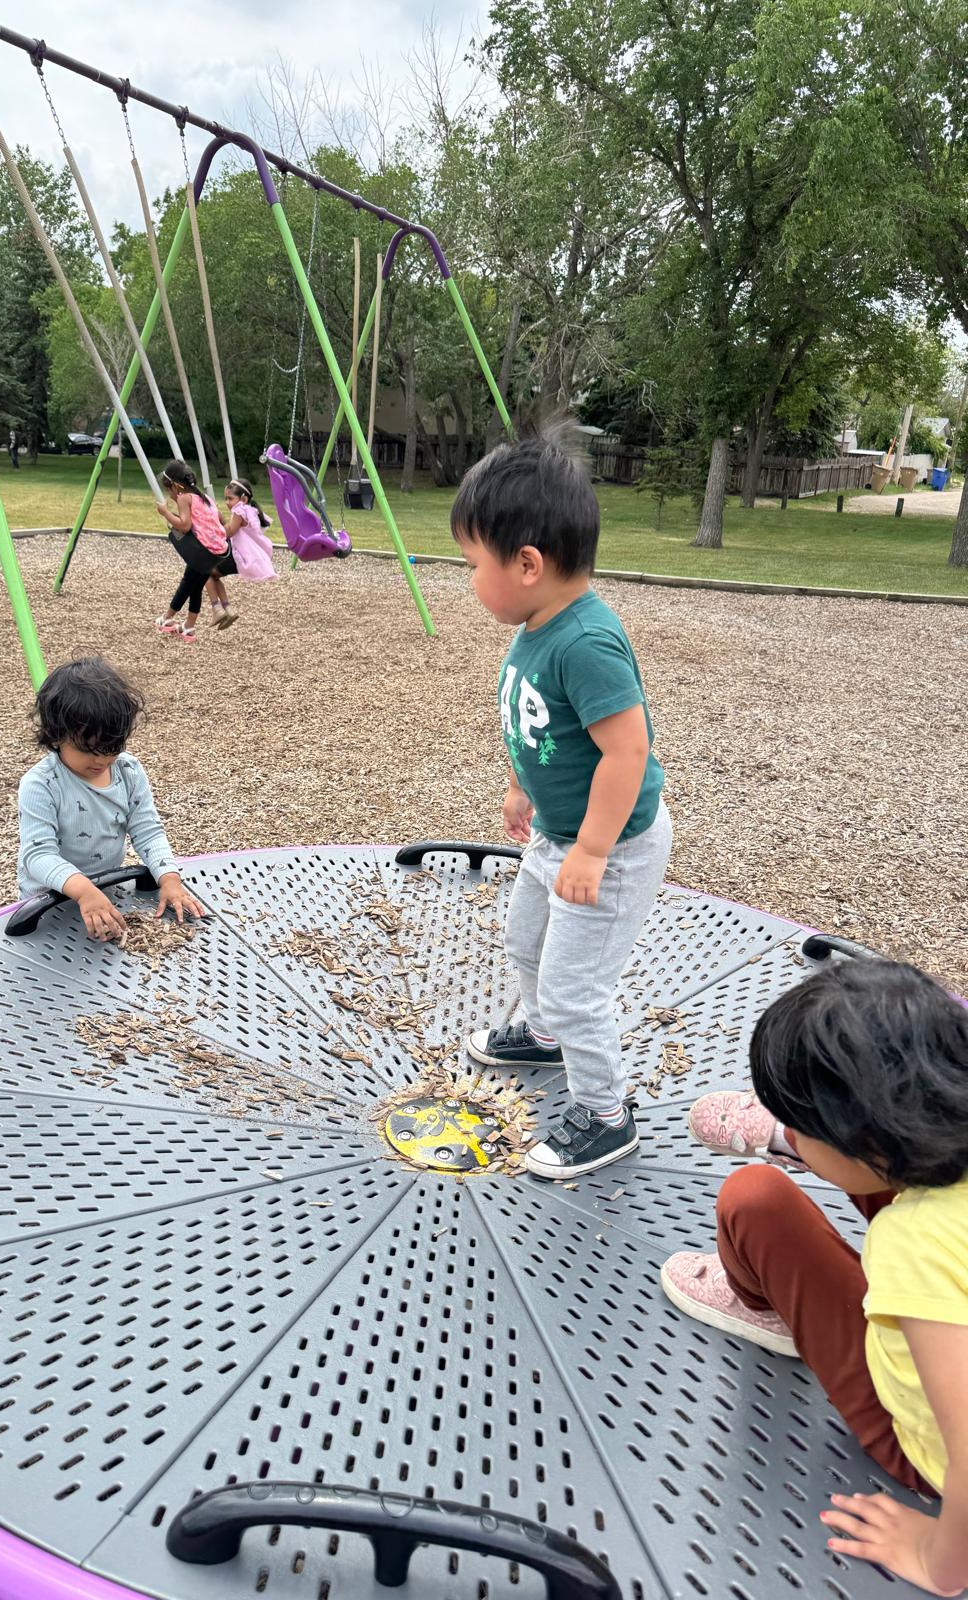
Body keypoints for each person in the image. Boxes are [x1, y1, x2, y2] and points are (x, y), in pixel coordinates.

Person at [660, 960, 968, 1597]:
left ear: (868, 1140)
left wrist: (942, 1563)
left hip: (922, 1447)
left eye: (803, 1127)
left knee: (755, 1199)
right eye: (793, 1125)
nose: (802, 1132)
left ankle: (759, 1304)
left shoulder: (915, 1242)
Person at [452, 434, 671, 1179]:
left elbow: (626, 753)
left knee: (578, 986)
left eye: (473, 564)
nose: (470, 580)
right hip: (556, 834)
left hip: (610, 848)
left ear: (527, 563)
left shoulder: (587, 642)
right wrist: (519, 784)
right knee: (526, 944)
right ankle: (543, 1036)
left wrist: (592, 850)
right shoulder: (536, 626)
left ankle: (606, 1115)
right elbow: (531, 720)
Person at [17, 656, 206, 939]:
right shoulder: (41, 784)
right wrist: (83, 891)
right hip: (48, 903)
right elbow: (38, 855)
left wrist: (168, 876)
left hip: (102, 890)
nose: (103, 759)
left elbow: (147, 829)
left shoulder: (127, 770)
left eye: (112, 747)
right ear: (56, 734)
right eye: (90, 748)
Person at [153, 460, 237, 640]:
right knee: (196, 585)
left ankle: (167, 618)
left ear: (175, 486)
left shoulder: (184, 498)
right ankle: (189, 626)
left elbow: (184, 526)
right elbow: (219, 519)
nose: (170, 494)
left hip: (202, 552)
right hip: (220, 551)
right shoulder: (204, 497)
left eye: (169, 490)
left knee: (187, 583)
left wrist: (165, 513)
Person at [222, 478, 277, 583]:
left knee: (208, 573)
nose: (226, 502)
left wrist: (217, 525)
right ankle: (221, 600)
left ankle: (217, 600)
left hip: (240, 552)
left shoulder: (239, 510)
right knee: (210, 574)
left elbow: (230, 532)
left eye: (230, 498)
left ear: (244, 499)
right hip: (249, 551)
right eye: (225, 498)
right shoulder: (250, 510)